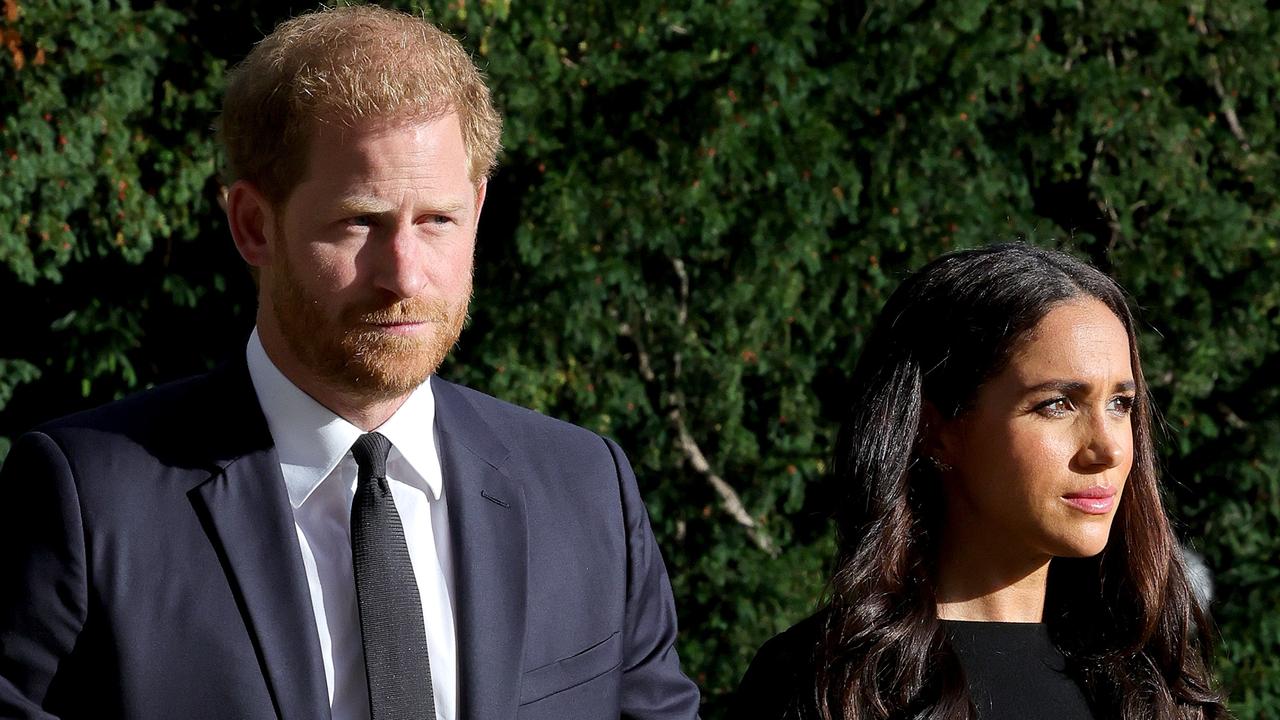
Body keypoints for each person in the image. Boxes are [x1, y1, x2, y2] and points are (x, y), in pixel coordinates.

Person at [0, 6, 700, 719]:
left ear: (478, 210)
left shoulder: (586, 492)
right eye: (359, 221)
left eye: (438, 220)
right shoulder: (90, 502)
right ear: (252, 225)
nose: (404, 274)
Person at [734, 244, 1227, 719]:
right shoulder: (829, 685)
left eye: (1121, 404)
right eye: (1055, 405)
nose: (1111, 449)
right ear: (937, 429)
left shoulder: (1157, 686)